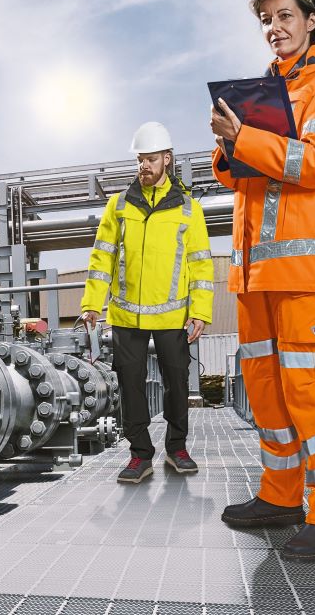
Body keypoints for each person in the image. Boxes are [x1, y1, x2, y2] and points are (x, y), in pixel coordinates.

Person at [210, 0, 315, 561]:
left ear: (311, 19)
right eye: (266, 19)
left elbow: (314, 165)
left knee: (309, 391)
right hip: (253, 273)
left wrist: (243, 138)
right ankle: (280, 495)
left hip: (297, 272)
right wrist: (227, 143)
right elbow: (238, 176)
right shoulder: (262, 91)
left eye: (285, 15)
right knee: (266, 391)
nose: (274, 28)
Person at [81, 121, 213, 483]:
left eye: (151, 159)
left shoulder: (188, 210)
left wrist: (200, 310)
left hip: (173, 316)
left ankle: (177, 448)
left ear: (167, 160)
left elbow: (200, 263)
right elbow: (102, 257)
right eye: (140, 159)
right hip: (126, 315)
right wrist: (92, 303)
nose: (144, 166)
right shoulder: (119, 206)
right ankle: (140, 455)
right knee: (131, 385)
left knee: (177, 383)